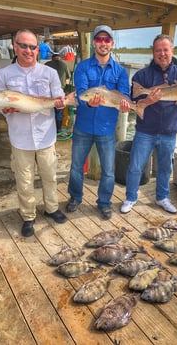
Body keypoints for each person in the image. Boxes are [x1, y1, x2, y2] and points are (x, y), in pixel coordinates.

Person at [0, 29, 72, 237]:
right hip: (20, 138)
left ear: (38, 49)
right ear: (16, 46)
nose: (28, 50)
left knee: (49, 176)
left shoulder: (50, 73)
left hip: (46, 136)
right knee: (24, 180)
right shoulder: (4, 75)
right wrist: (4, 108)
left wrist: (62, 102)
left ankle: (52, 208)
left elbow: (58, 98)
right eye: (24, 46)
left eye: (32, 46)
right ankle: (28, 216)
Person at [120, 34, 177, 215]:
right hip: (145, 130)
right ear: (153, 53)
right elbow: (135, 104)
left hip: (169, 131)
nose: (162, 54)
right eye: (158, 50)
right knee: (136, 165)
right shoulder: (141, 75)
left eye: (165, 50)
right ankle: (131, 197)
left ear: (172, 51)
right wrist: (148, 100)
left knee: (165, 167)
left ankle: (162, 197)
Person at [65, 25, 131, 220]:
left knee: (109, 170)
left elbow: (124, 95)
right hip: (83, 127)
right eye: (99, 39)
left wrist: (126, 104)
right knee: (76, 166)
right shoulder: (83, 67)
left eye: (107, 40)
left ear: (112, 43)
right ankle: (75, 197)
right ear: (94, 43)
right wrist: (92, 104)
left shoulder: (120, 71)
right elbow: (81, 94)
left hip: (107, 129)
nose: (103, 43)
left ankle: (104, 203)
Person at [45, 53, 71, 132]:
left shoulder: (46, 65)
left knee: (48, 111)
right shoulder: (64, 65)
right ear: (59, 58)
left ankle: (49, 129)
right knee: (59, 111)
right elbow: (68, 78)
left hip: (47, 92)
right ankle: (59, 129)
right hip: (60, 90)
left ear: (52, 58)